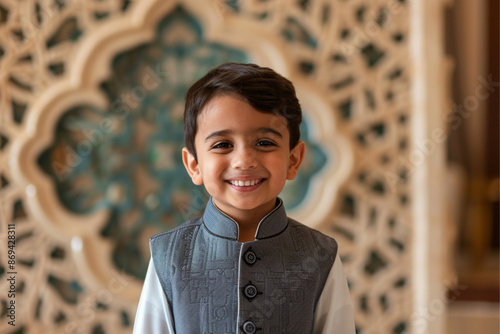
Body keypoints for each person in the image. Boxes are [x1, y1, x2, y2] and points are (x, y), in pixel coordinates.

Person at [133, 62, 355, 333]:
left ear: (293, 160)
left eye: (264, 143)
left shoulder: (320, 256)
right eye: (222, 145)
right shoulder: (169, 257)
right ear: (194, 165)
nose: (244, 160)